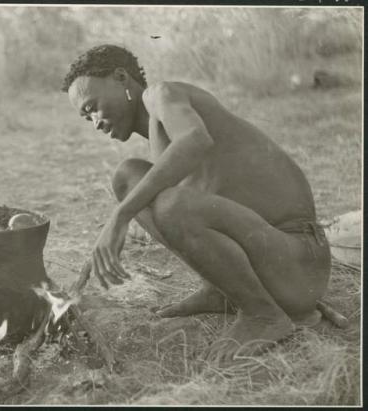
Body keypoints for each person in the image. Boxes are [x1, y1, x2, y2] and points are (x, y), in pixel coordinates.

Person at [61, 44, 331, 362]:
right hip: (275, 262)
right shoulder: (158, 137)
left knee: (172, 203)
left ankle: (263, 314)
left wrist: (120, 216)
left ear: (121, 77)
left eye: (92, 106)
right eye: (85, 117)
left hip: (299, 262)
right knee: (129, 176)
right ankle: (223, 291)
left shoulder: (162, 94)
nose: (95, 122)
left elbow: (196, 139)